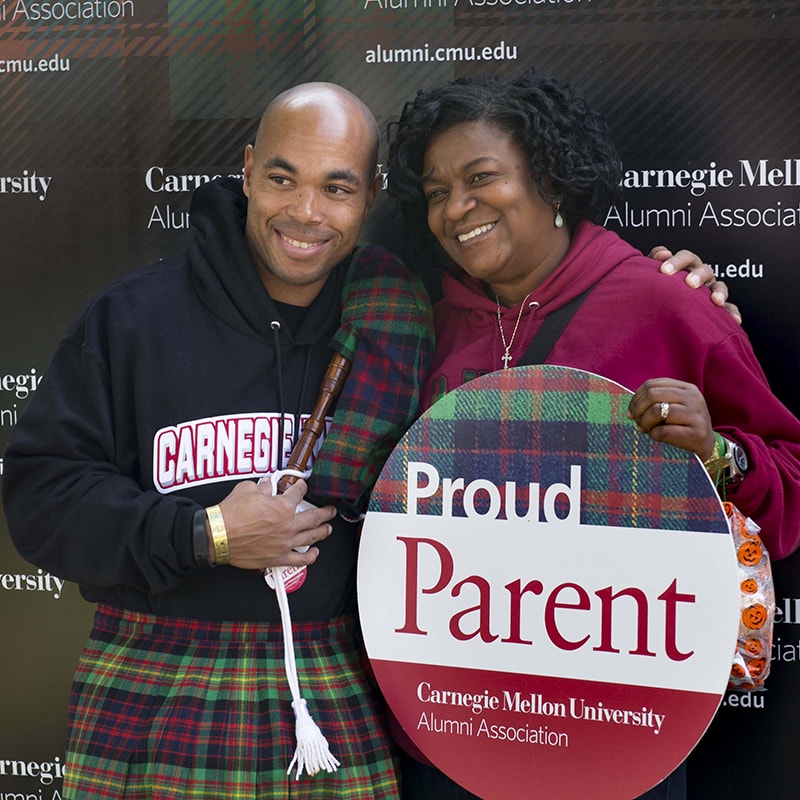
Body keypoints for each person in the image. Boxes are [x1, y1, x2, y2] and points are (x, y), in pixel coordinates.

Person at [2, 78, 734, 800]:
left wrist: (677, 313)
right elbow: (40, 497)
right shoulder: (133, 320)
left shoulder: (401, 317)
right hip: (159, 686)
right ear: (249, 169)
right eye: (284, 178)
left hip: (351, 684)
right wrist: (209, 532)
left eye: (338, 187)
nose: (306, 212)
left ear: (372, 195)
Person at [386, 69, 800, 799]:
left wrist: (714, 452)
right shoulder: (434, 320)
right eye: (437, 191)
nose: (457, 208)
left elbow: (791, 480)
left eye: (482, 177)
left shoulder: (662, 300)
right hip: (459, 720)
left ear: (551, 179)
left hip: (617, 727)